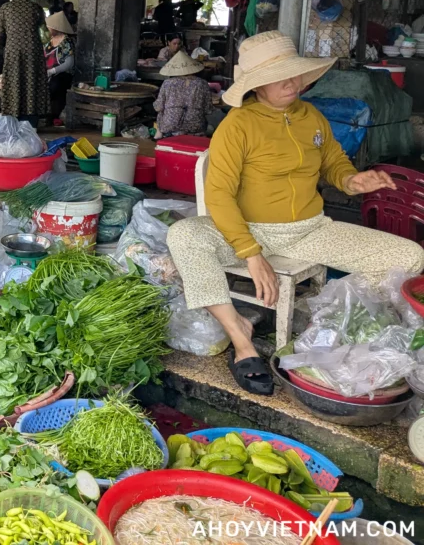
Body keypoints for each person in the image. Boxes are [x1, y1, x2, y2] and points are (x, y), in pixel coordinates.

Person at [166, 31, 424, 396]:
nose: (292, 82)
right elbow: (219, 194)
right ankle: (240, 337)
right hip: (247, 231)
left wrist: (353, 181)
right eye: (279, 76)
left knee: (410, 256)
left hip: (309, 230)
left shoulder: (311, 117)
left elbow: (333, 163)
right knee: (184, 234)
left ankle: (336, 330)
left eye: (295, 72)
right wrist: (251, 254)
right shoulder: (237, 126)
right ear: (256, 87)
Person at [0, 0, 48, 124]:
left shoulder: (5, 8)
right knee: (32, 80)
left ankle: (13, 119)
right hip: (34, 51)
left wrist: (8, 43)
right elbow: (44, 33)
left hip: (13, 51)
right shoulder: (36, 8)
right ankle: (32, 121)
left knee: (14, 80)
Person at [152, 51, 213, 138]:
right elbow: (208, 109)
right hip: (196, 125)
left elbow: (158, 107)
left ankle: (159, 135)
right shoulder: (202, 83)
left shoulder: (167, 83)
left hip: (170, 125)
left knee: (161, 113)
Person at [44, 11, 75, 120]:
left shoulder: (67, 42)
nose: (48, 29)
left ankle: (53, 116)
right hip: (48, 74)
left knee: (55, 85)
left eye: (50, 27)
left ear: (56, 27)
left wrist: (53, 71)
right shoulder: (49, 42)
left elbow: (69, 63)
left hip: (63, 75)